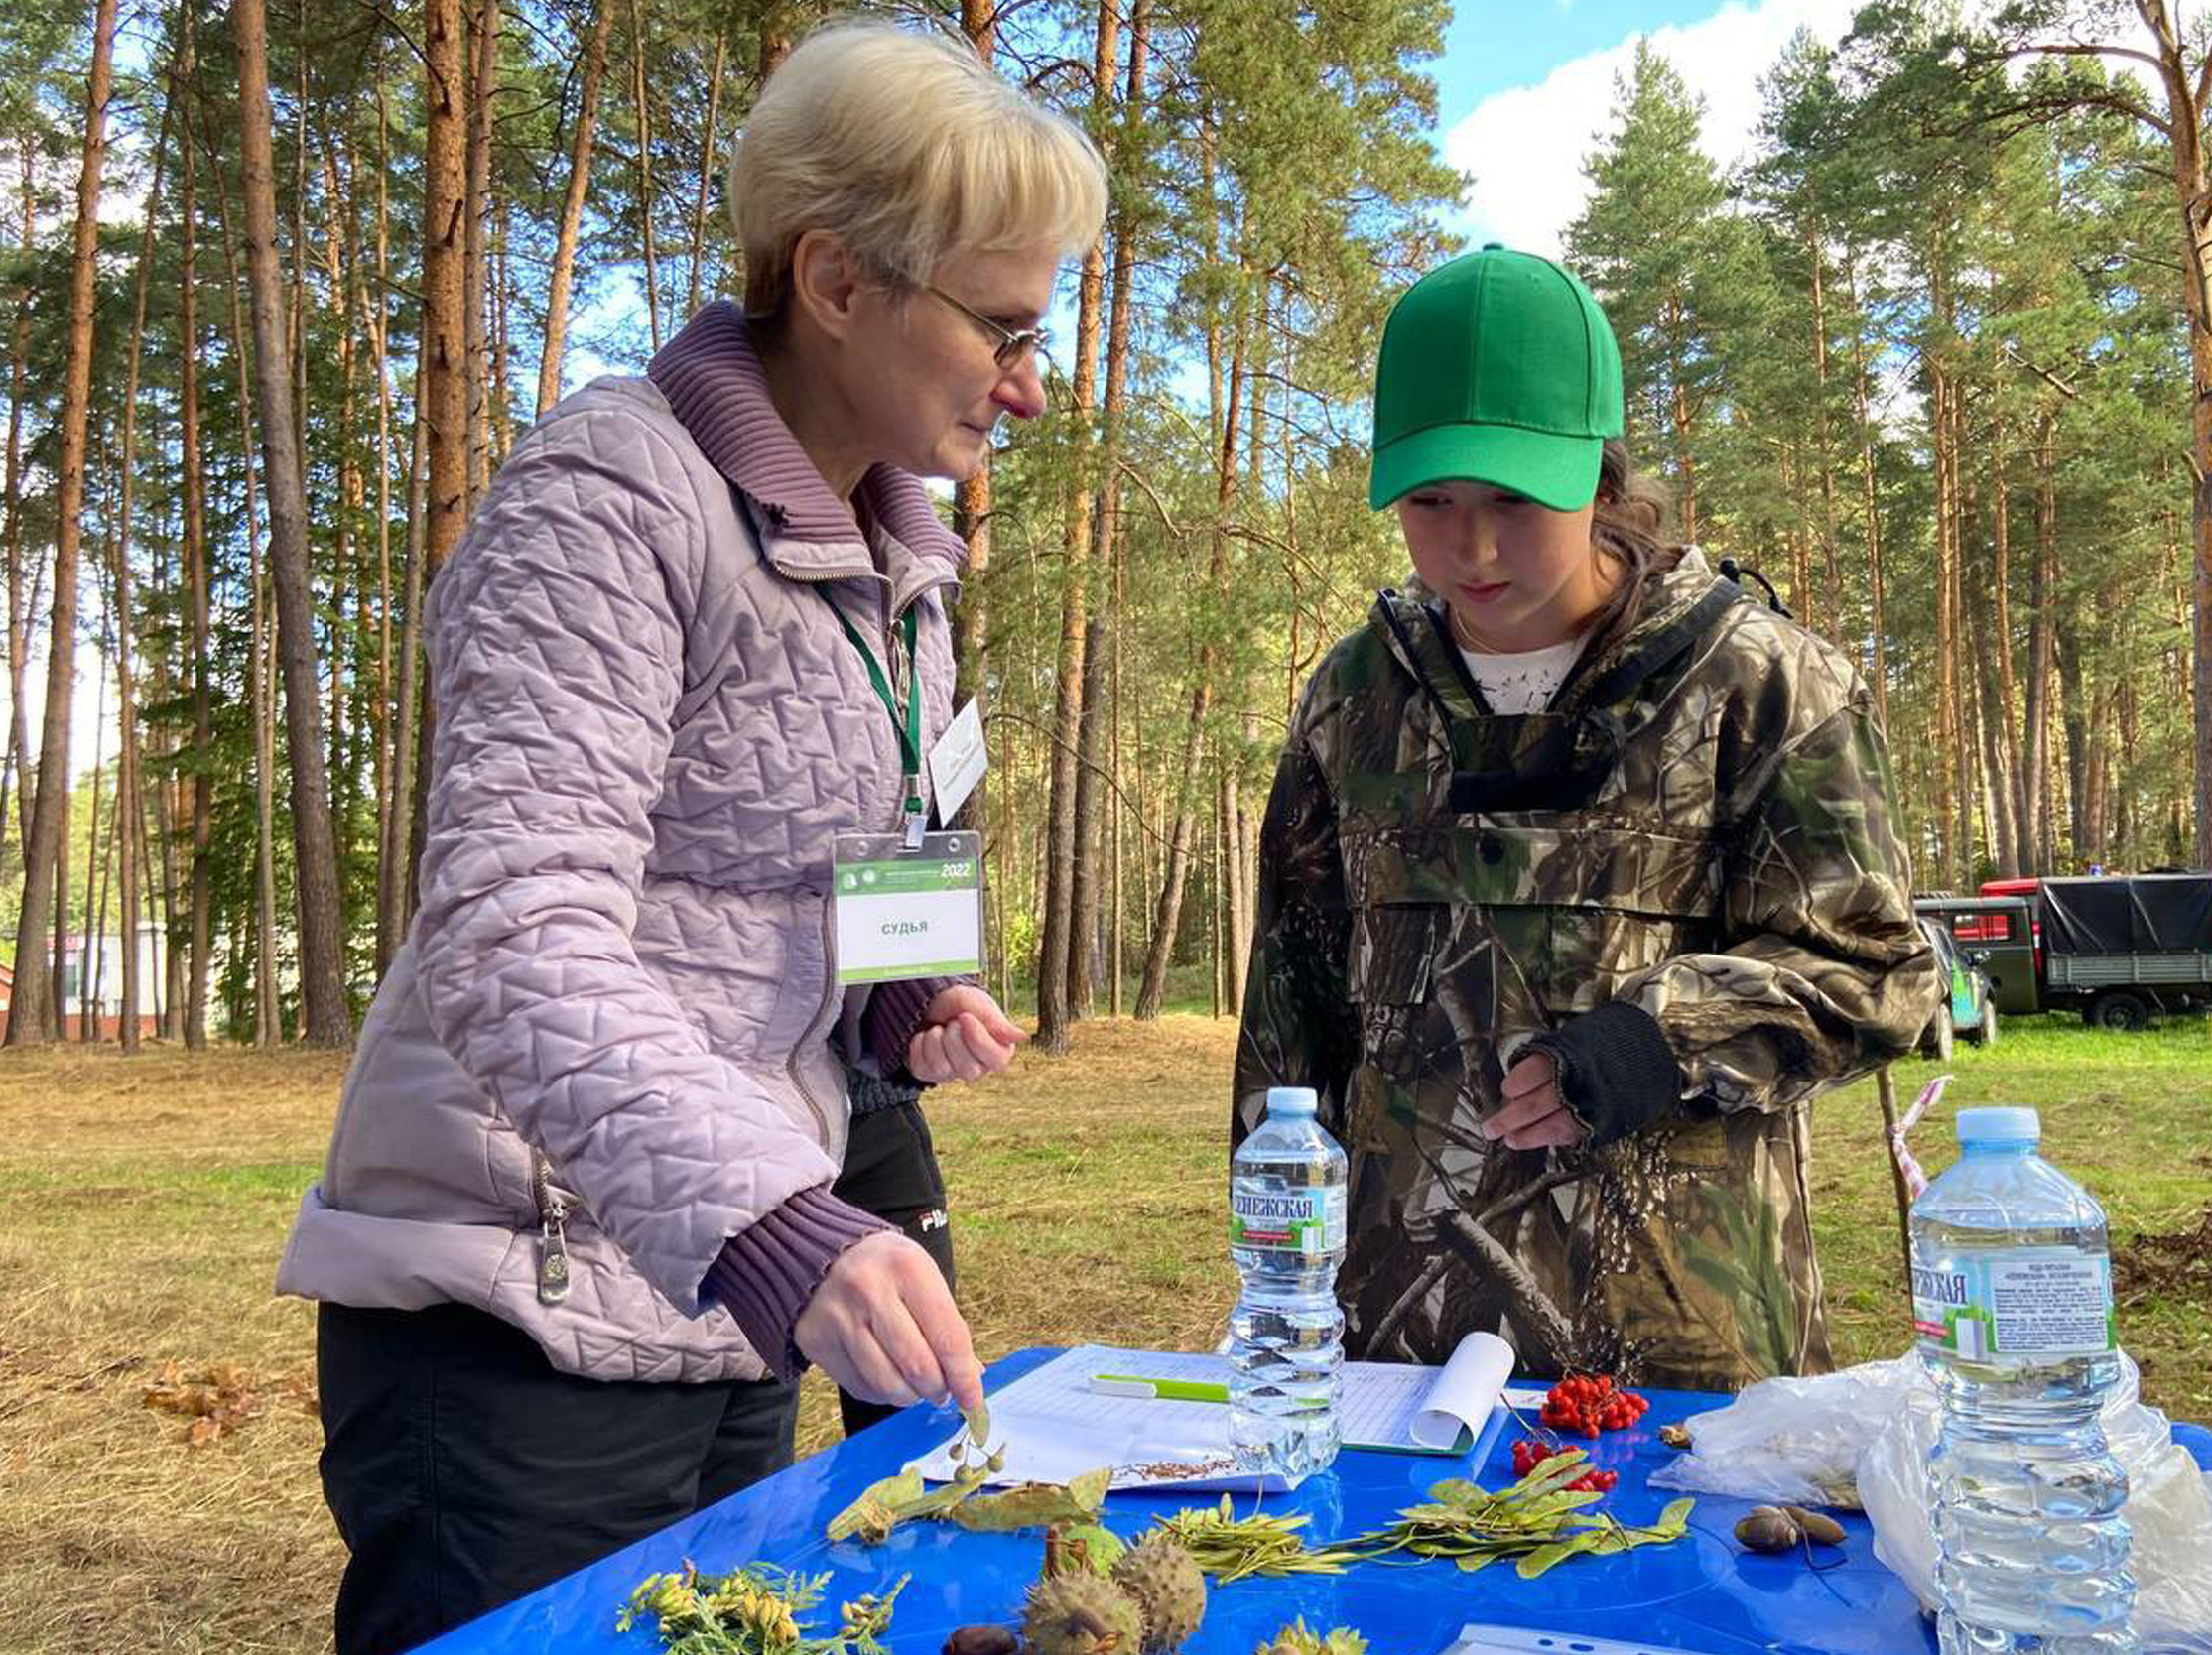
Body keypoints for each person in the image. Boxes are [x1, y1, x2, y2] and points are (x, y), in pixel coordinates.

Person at [273, 26, 1105, 1654]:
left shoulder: (898, 563)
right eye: (1001, 326)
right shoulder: (609, 502)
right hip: (528, 1309)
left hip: (725, 1308)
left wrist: (889, 1000)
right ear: (838, 282)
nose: (1028, 379)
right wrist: (777, 1225)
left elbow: (772, 887)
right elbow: (515, 934)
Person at [1231, 246, 1939, 1395]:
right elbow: (1290, 1021)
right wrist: (1273, 1287)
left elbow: (1877, 971)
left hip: (1683, 1358)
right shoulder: (1355, 699)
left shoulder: (1755, 683)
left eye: (1515, 500)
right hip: (1388, 1359)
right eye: (1430, 503)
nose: (1472, 550)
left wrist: (1656, 1040)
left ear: (1602, 481)